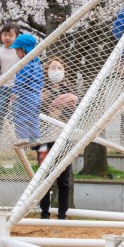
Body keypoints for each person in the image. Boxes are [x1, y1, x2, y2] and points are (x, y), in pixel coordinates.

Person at [37, 59, 79, 220]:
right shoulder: (41, 91)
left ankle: (62, 215)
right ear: (46, 71)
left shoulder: (70, 92)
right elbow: (36, 113)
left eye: (59, 67)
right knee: (44, 176)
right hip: (45, 139)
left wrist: (60, 112)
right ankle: (44, 213)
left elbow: (74, 113)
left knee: (64, 178)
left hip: (64, 139)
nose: (56, 70)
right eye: (53, 67)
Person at [10, 33, 44, 147]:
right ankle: (35, 138)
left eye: (17, 50)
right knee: (33, 118)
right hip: (36, 97)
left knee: (20, 116)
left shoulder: (24, 64)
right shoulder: (37, 63)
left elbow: (21, 80)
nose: (16, 53)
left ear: (24, 50)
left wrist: (15, 92)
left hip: (25, 96)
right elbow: (40, 81)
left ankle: (22, 137)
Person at [0, 22, 21, 133]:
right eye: (5, 35)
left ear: (16, 37)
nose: (7, 38)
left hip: (19, 87)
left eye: (10, 35)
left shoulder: (20, 51)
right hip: (4, 87)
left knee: (17, 113)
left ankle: (17, 137)